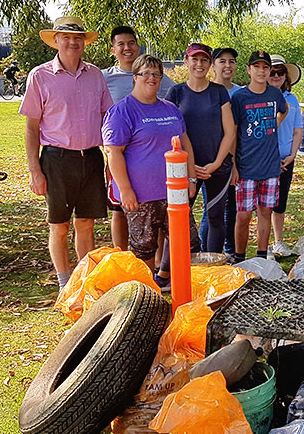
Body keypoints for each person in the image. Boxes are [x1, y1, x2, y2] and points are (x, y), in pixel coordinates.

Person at [19, 16, 113, 290]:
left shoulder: (95, 75)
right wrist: (34, 170)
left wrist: (110, 160)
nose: (73, 42)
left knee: (86, 223)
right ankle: (64, 283)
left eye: (78, 38)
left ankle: (84, 282)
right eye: (67, 37)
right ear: (56, 41)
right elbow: (31, 128)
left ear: (84, 42)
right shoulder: (40, 76)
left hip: (92, 158)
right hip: (57, 160)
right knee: (59, 225)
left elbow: (107, 119)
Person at [102, 54, 195, 291]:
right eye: (146, 73)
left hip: (174, 193)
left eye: (156, 74)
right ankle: (146, 294)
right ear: (135, 78)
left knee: (185, 243)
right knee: (144, 247)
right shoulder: (122, 111)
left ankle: (182, 289)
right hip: (141, 195)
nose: (152, 78)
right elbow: (114, 153)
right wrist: (125, 190)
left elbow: (185, 143)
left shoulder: (170, 109)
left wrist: (191, 177)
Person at [102, 26, 176, 250]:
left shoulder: (157, 77)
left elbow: (173, 102)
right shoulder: (104, 78)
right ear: (113, 49)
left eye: (131, 43)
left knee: (159, 215)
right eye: (121, 44)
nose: (127, 48)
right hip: (118, 153)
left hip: (152, 158)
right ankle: (122, 256)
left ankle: (160, 268)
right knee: (120, 210)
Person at [164, 43, 236, 253]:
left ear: (210, 64)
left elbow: (229, 132)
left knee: (215, 217)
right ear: (186, 62)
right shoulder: (176, 92)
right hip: (185, 169)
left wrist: (216, 163)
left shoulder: (219, 92)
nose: (199, 64)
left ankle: (212, 266)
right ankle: (171, 270)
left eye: (204, 60)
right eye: (194, 59)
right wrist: (188, 166)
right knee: (178, 218)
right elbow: (170, 131)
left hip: (217, 167)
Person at [230, 51, 288, 262]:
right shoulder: (240, 97)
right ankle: (240, 257)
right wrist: (234, 164)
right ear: (249, 70)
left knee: (265, 212)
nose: (261, 71)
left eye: (265, 67)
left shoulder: (274, 94)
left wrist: (275, 123)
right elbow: (233, 131)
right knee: (243, 216)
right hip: (246, 166)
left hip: (270, 166)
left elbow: (284, 110)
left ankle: (262, 257)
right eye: (257, 67)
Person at [268, 54, 304, 258]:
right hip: (266, 158)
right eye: (272, 72)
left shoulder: (292, 99)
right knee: (264, 204)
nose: (276, 76)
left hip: (286, 157)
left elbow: (298, 130)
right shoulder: (261, 97)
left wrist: (292, 155)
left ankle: (278, 241)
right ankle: (263, 244)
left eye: (280, 72)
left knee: (280, 202)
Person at [213, 47, 244, 259]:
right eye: (222, 61)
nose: (227, 66)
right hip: (210, 160)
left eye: (231, 61)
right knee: (213, 210)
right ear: (213, 65)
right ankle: (209, 255)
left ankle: (231, 250)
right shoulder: (206, 90)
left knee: (233, 206)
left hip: (237, 158)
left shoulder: (240, 93)